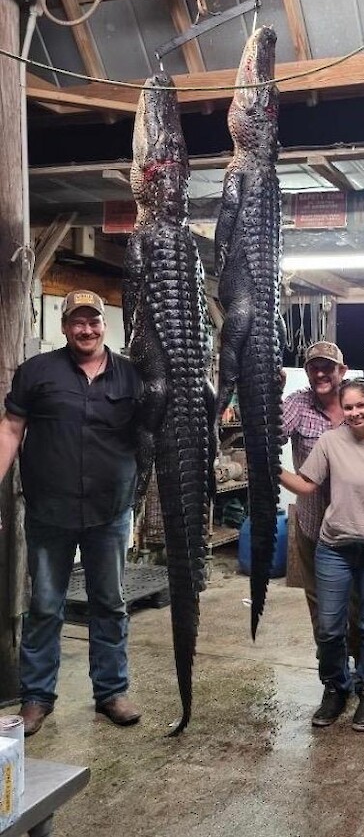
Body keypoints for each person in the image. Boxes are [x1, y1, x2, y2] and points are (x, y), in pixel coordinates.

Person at [0, 290, 142, 737]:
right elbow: (11, 429)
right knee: (44, 605)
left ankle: (111, 693)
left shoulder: (132, 375)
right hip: (50, 510)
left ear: (104, 325)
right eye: (77, 322)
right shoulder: (38, 371)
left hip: (110, 511)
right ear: (64, 327)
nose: (86, 329)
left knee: (110, 604)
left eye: (93, 321)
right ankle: (37, 698)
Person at [280, 377, 364, 732]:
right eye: (348, 407)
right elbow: (307, 485)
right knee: (329, 627)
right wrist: (272, 469)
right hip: (334, 549)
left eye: (361, 405)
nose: (354, 412)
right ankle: (336, 688)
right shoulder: (330, 441)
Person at [282, 341, 364, 659]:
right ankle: (333, 672)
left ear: (342, 370)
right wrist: (267, 393)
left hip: (362, 526)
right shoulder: (298, 402)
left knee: (362, 606)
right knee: (323, 608)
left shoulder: (362, 402)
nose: (321, 373)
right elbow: (272, 434)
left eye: (328, 367)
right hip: (314, 523)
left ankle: (363, 669)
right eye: (314, 368)